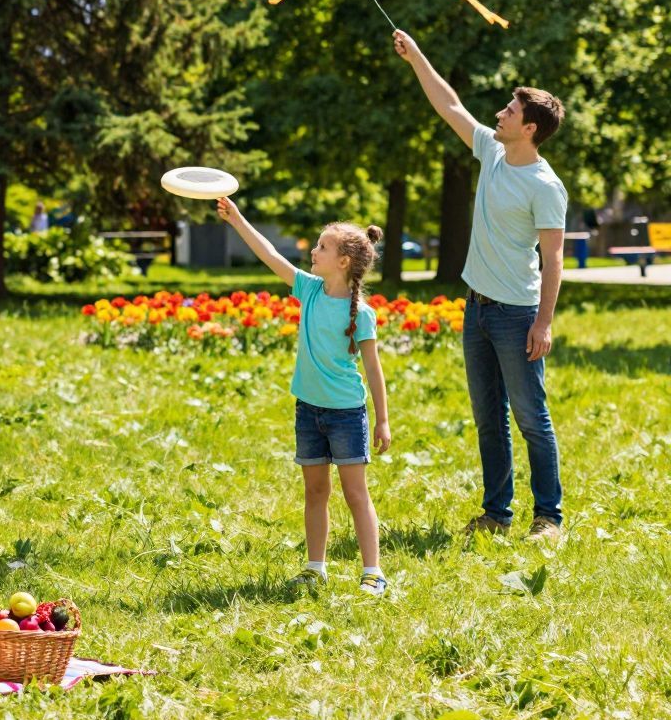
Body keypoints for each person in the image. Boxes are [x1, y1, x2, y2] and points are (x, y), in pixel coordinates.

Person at [394, 30, 567, 543]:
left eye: (510, 111)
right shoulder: (492, 150)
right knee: (489, 419)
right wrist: (416, 57)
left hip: (518, 315)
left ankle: (549, 518)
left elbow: (554, 258)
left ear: (529, 128)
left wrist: (543, 323)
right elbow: (449, 104)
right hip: (477, 309)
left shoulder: (545, 185)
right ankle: (497, 514)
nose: (499, 114)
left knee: (531, 418)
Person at [217, 197, 391, 595]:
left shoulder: (362, 313)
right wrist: (237, 219)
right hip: (308, 411)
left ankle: (373, 571)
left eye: (322, 247)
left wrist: (382, 420)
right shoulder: (309, 290)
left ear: (343, 261)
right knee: (315, 491)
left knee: (355, 494)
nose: (313, 251)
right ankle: (315, 568)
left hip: (347, 415)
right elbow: (269, 254)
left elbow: (374, 369)